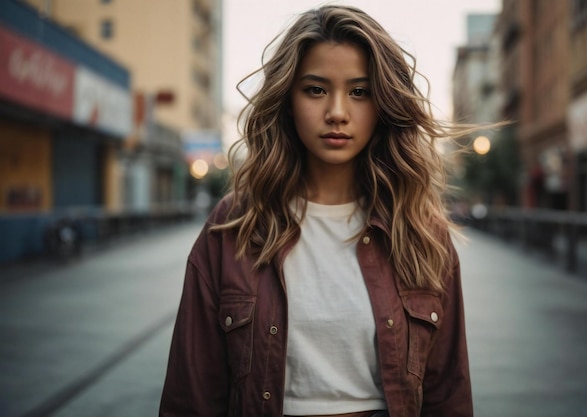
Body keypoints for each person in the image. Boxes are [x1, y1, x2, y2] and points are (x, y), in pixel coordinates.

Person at [159, 4, 474, 417]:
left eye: (359, 92)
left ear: (382, 104)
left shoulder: (421, 232)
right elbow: (191, 396)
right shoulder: (232, 227)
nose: (337, 112)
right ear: (288, 99)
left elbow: (448, 395)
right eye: (316, 89)